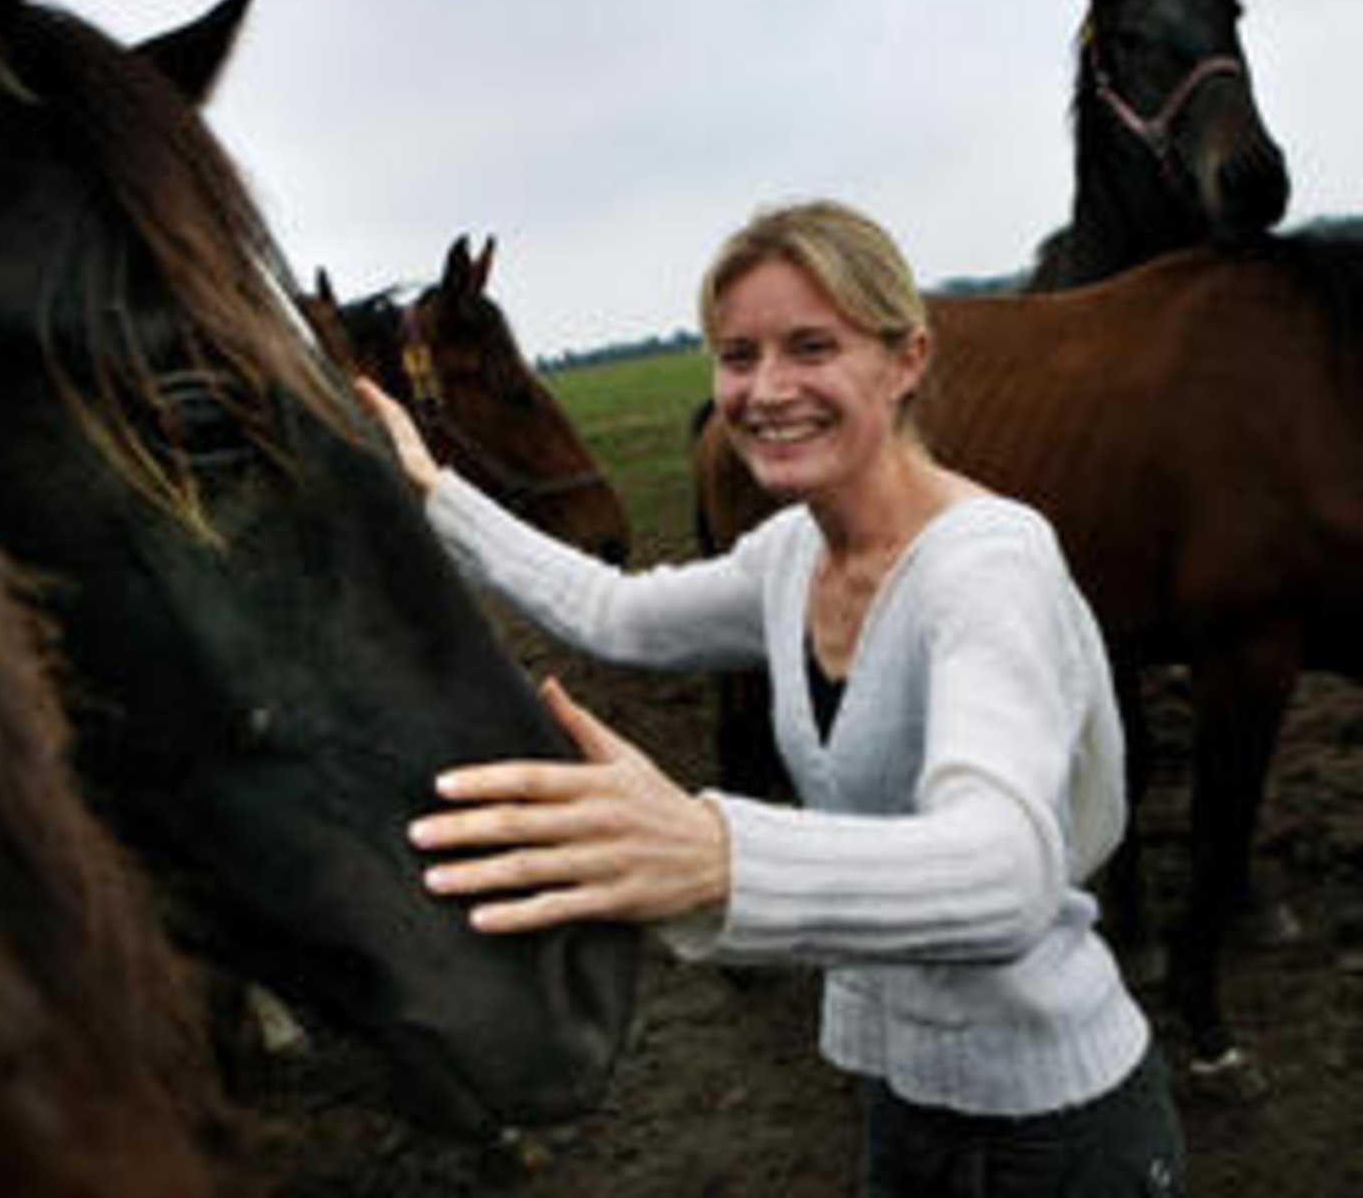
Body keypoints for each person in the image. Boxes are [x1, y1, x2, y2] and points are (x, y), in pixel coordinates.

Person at [356, 199, 1185, 1197]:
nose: (763, 390)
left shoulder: (986, 569)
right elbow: (617, 613)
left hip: (1058, 1135)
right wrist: (430, 489)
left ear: (905, 359)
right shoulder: (794, 553)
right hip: (899, 1099)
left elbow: (1005, 870)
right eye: (736, 354)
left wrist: (715, 856)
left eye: (809, 347)